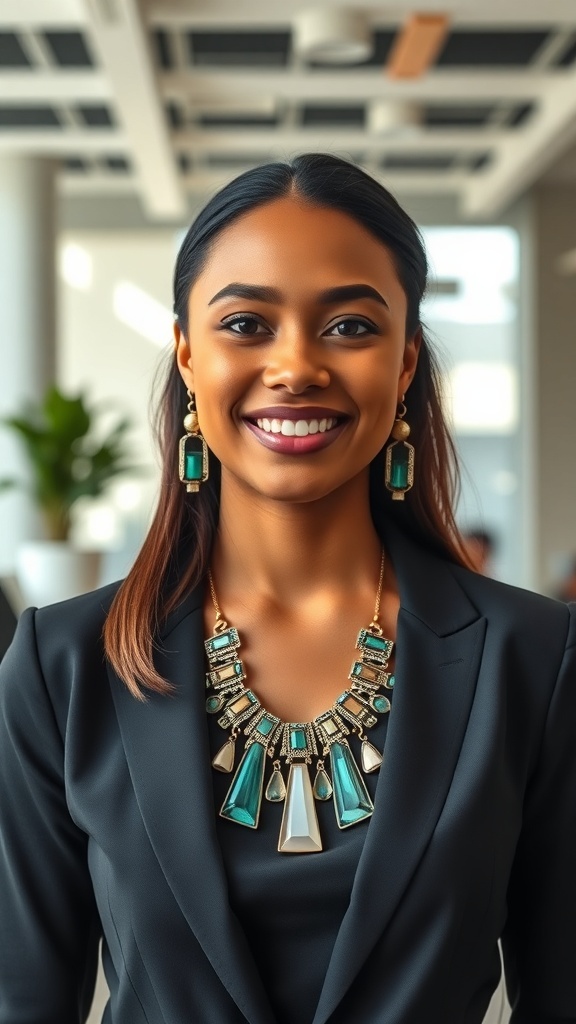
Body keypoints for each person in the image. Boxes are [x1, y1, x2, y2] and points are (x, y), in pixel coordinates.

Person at [0, 154, 574, 1024]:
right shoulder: (62, 666)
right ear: (188, 357)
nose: (297, 365)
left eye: (350, 325)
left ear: (407, 361)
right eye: (246, 323)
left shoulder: (534, 660)